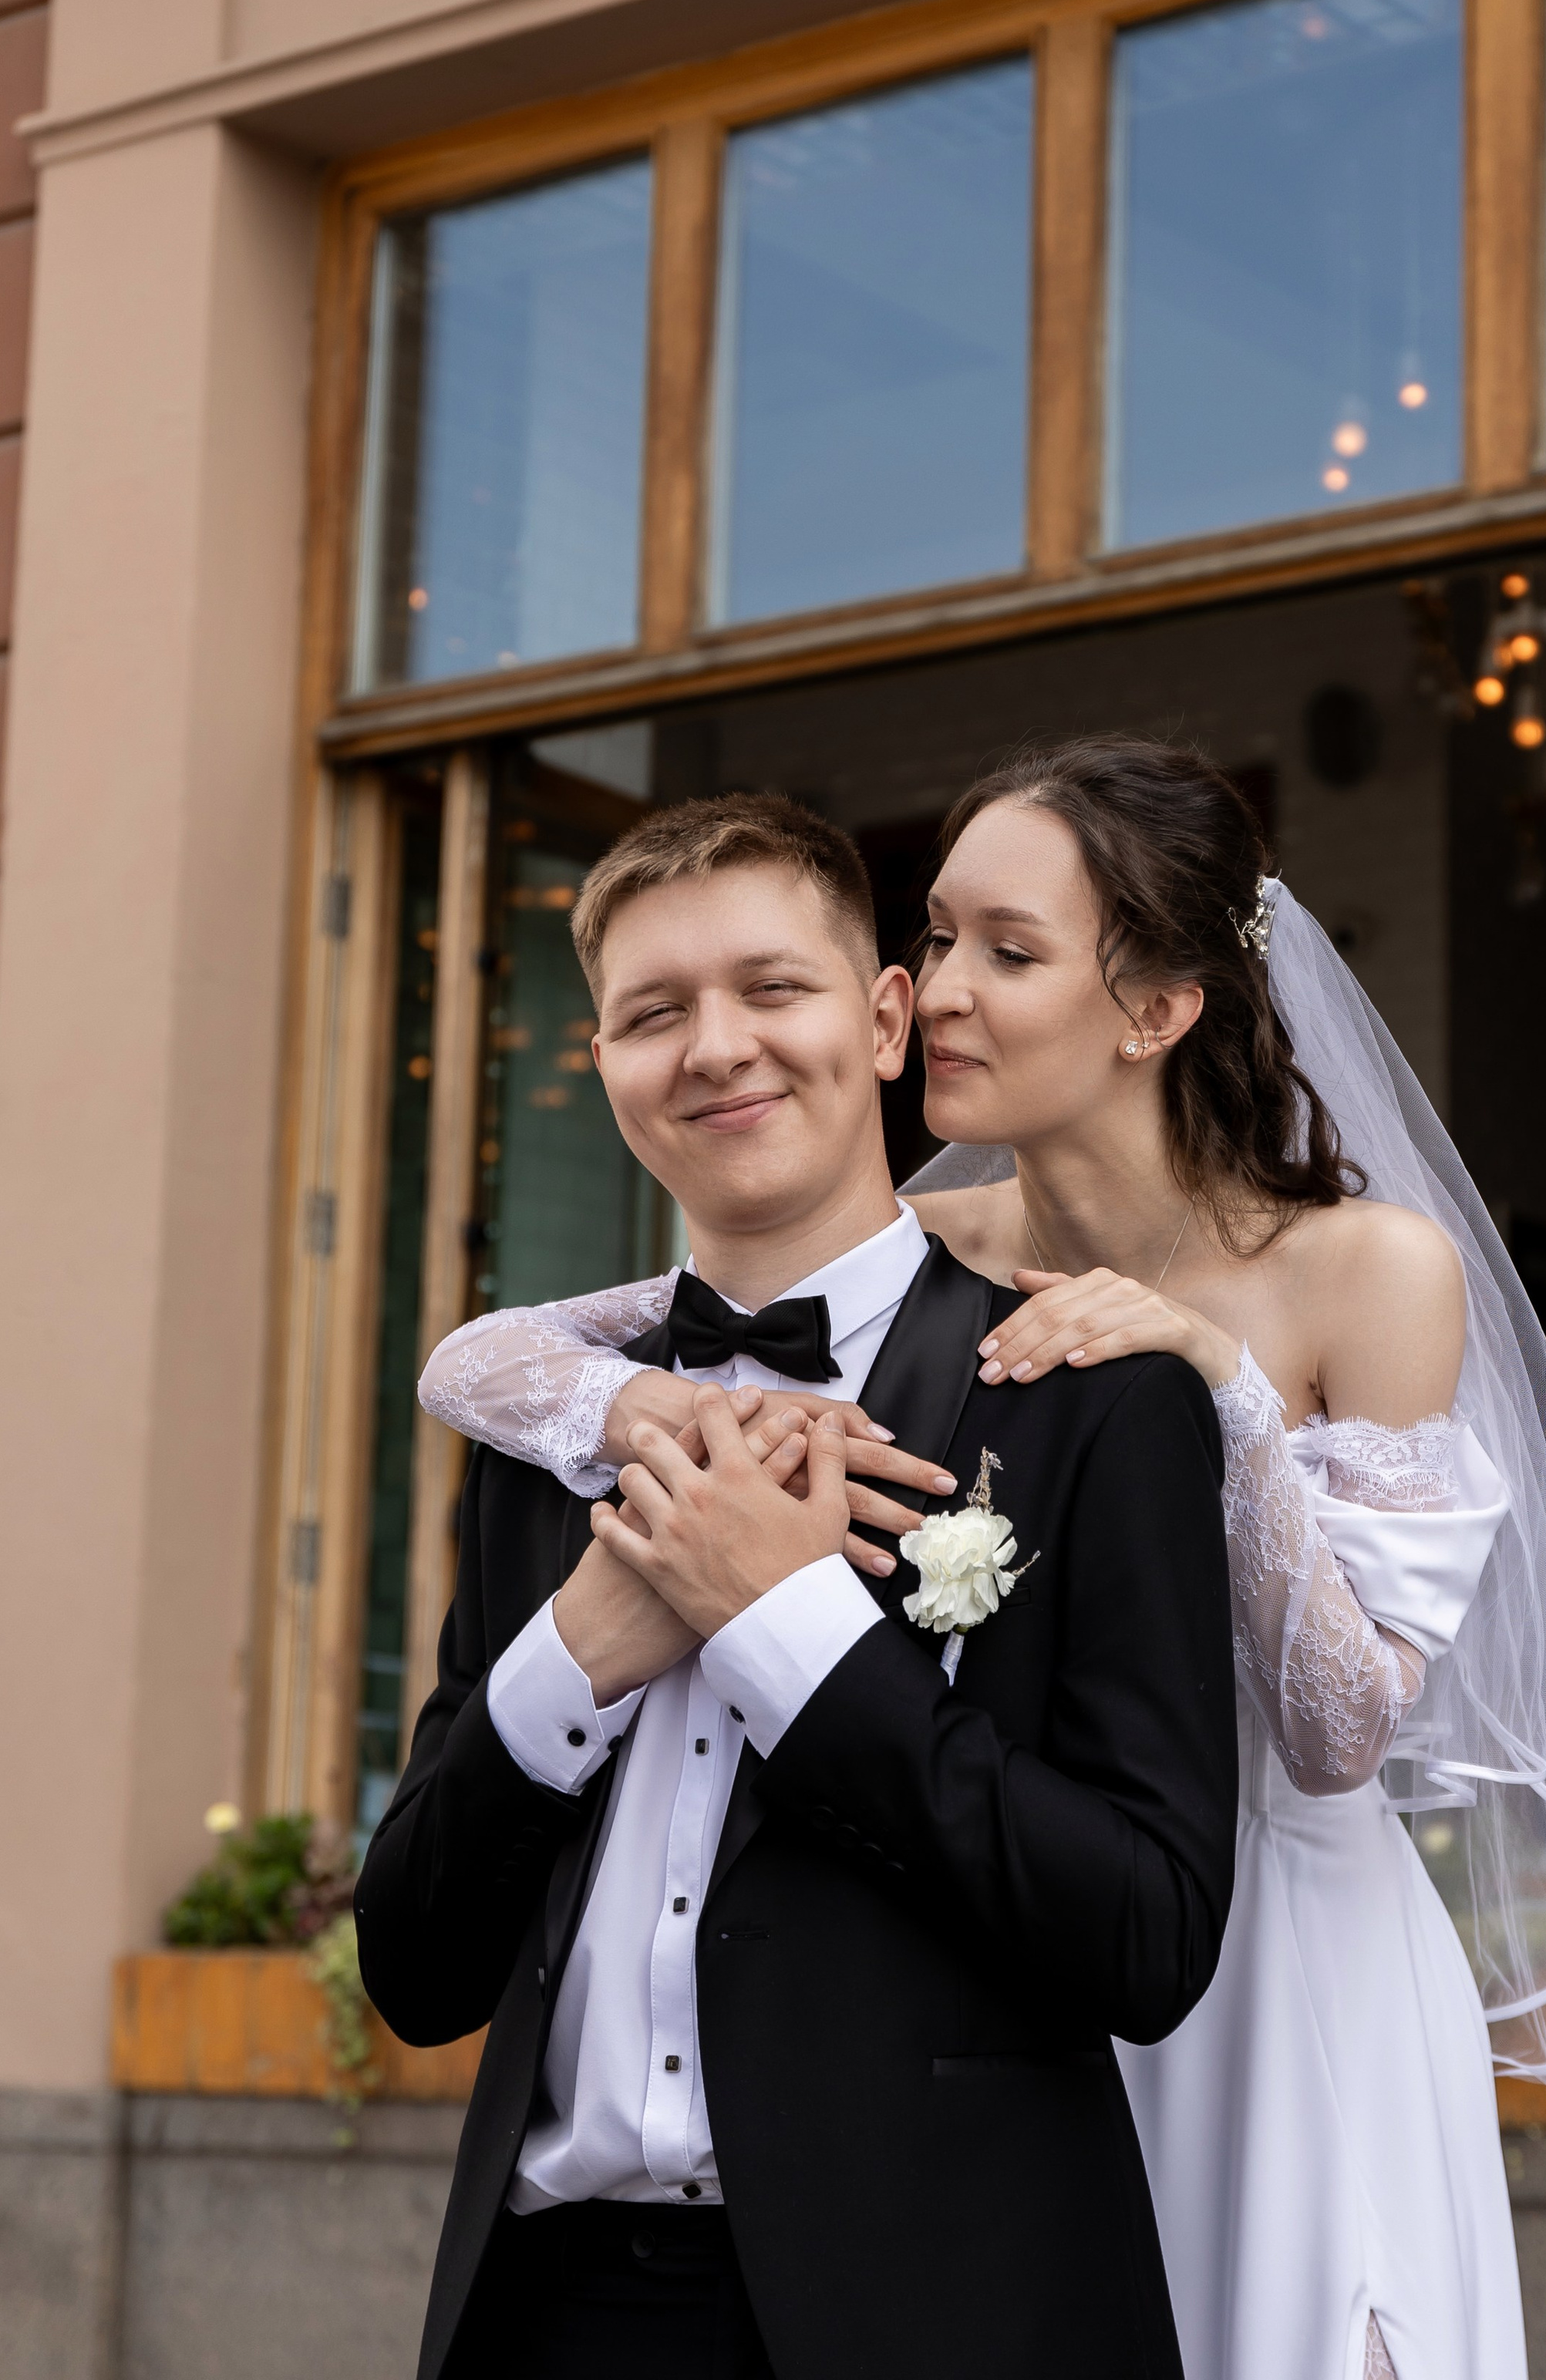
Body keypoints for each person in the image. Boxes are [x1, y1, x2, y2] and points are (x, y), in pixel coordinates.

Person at [421, 738, 1546, 2380]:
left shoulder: (1361, 1269)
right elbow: (478, 1360)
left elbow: (1337, 1735)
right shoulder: (934, 1249)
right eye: (938, 936)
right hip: (1001, 1966)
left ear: (1154, 1005)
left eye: (1006, 952)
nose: (942, 989)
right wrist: (662, 1416)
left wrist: (1222, 1392)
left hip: (1273, 1968)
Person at [359, 789, 1241, 2380]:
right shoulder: (542, 1442)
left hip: (948, 2316)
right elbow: (415, 1971)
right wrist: (581, 1649)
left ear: (887, 1018)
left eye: (772, 988)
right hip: (555, 2325)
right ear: (609, 1068)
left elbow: (1149, 1932)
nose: (714, 1047)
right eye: (651, 1013)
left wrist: (789, 1634)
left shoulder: (1092, 1402)